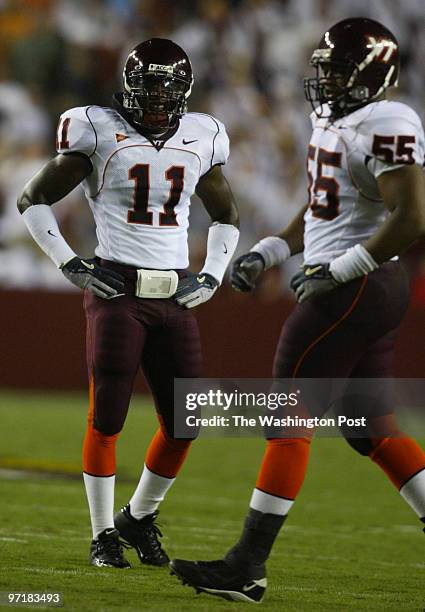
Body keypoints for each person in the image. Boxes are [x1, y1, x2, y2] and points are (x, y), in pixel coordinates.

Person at [170, 18, 425, 603]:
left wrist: (340, 270)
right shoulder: (334, 119)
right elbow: (322, 207)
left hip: (354, 287)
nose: (326, 80)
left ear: (375, 74)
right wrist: (273, 248)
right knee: (372, 428)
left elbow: (410, 218)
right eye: (326, 68)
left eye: (339, 70)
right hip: (368, 287)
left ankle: (247, 566)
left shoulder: (389, 120)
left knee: (288, 419)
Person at [18, 38, 239, 568]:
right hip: (117, 290)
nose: (158, 97)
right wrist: (71, 262)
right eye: (149, 85)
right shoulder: (97, 129)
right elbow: (33, 199)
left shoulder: (202, 136)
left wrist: (210, 276)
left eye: (168, 86)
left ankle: (137, 518)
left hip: (175, 293)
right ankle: (101, 535)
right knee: (107, 419)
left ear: (184, 91)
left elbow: (226, 215)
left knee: (186, 420)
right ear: (129, 86)